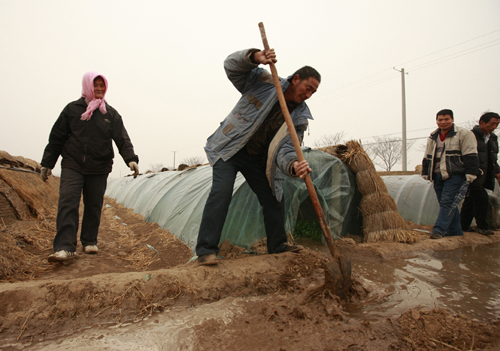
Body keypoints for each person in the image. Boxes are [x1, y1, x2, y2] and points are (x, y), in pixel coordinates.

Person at [196, 48, 320, 265]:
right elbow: (231, 67)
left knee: (274, 198)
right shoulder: (265, 80)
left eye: (313, 93)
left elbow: (287, 150)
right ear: (296, 79)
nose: (308, 95)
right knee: (222, 193)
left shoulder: (299, 117)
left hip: (257, 160)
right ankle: (206, 250)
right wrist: (254, 58)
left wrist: (293, 166)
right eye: (308, 88)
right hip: (229, 149)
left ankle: (277, 245)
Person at [41, 72, 139, 262]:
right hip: (73, 163)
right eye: (96, 85)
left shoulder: (110, 114)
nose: (100, 89)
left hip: (99, 166)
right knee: (68, 202)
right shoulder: (72, 110)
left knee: (94, 205)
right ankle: (64, 247)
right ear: (87, 86)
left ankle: (89, 240)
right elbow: (57, 137)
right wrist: (47, 163)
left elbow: (122, 139)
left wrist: (130, 159)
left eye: (102, 85)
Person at [422, 109, 479, 239]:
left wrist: (471, 173)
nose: (443, 122)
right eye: (440, 120)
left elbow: (471, 154)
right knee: (447, 203)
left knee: (447, 202)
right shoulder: (433, 136)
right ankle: (455, 231)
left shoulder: (463, 134)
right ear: (436, 121)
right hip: (437, 174)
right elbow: (427, 155)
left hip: (455, 174)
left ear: (452, 119)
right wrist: (426, 172)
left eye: (446, 119)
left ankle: (439, 230)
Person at [461, 112, 500, 236]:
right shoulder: (470, 136)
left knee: (470, 200)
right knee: (481, 198)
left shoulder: (493, 138)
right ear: (482, 122)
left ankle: (463, 225)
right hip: (473, 173)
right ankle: (482, 226)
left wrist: (497, 171)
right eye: (492, 123)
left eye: (497, 124)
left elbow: (493, 158)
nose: (494, 126)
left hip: (486, 174)